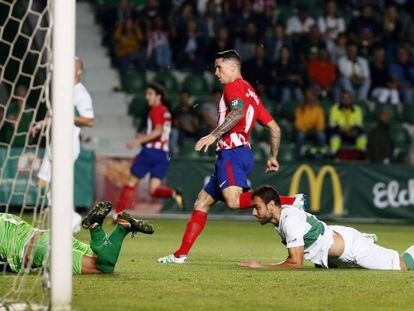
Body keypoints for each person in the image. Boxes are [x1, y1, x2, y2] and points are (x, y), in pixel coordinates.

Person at [158, 50, 305, 264]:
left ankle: (291, 200)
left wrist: (213, 134)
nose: (216, 72)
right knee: (201, 203)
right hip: (237, 153)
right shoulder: (252, 93)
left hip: (232, 153)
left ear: (233, 68)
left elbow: (236, 113)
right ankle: (181, 254)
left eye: (219, 67)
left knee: (234, 202)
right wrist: (273, 156)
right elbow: (275, 129)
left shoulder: (232, 86)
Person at [239, 185, 414, 271]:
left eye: (257, 207)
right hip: (335, 245)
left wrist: (260, 265)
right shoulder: (281, 217)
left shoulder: (289, 220)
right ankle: (366, 240)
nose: (254, 212)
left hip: (352, 248)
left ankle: (366, 242)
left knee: (403, 265)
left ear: (271, 205)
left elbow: (296, 264)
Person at [0, 202, 154, 274]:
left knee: (103, 268)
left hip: (38, 250)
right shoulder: (4, 217)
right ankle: (116, 226)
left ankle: (113, 229)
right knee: (100, 256)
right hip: (49, 235)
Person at [32, 57, 95, 233]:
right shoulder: (63, 92)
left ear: (79, 71)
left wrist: (68, 116)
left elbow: (90, 121)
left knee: (56, 184)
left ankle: (72, 220)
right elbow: (55, 116)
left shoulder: (80, 93)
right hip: (55, 142)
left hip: (67, 145)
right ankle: (67, 218)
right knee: (41, 182)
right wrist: (40, 125)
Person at [115, 83, 184, 215]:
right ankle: (174, 193)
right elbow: (161, 132)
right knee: (153, 190)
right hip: (163, 154)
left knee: (131, 182)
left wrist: (138, 140)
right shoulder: (166, 111)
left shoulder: (156, 110)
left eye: (150, 94)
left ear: (158, 96)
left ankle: (117, 214)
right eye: (147, 94)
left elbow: (158, 131)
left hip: (151, 152)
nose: (147, 97)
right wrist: (146, 135)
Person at [329, 90, 367, 155]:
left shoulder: (356, 109)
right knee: (334, 137)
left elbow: (359, 124)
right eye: (344, 98)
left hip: (352, 131)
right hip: (340, 131)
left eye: (348, 98)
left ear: (351, 99)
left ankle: (361, 154)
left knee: (362, 136)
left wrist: (352, 131)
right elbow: (332, 124)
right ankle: (333, 154)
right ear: (341, 99)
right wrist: (342, 130)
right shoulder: (335, 108)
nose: (346, 100)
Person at [294, 89, 327, 158]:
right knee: (300, 135)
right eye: (308, 97)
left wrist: (315, 130)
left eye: (311, 96)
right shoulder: (300, 109)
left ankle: (320, 155)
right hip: (304, 131)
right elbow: (298, 124)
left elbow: (321, 124)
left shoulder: (318, 109)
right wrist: (306, 130)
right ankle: (298, 156)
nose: (310, 99)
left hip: (315, 131)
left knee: (321, 135)